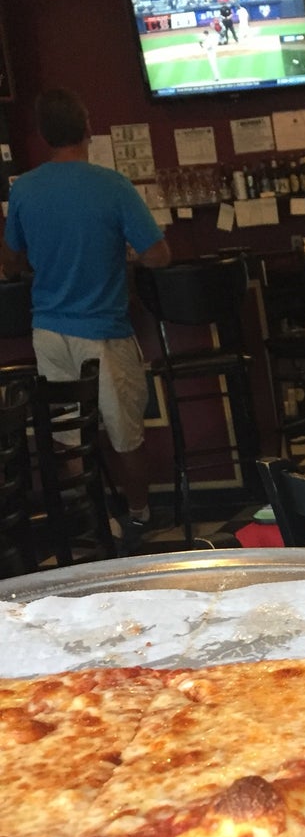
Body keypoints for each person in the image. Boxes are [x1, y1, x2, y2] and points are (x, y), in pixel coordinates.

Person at [1, 88, 171, 550]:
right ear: (88, 128)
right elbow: (159, 255)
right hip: (102, 331)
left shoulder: (24, 189)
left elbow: (10, 261)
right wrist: (124, 254)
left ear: (42, 135)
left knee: (66, 434)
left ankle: (97, 517)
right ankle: (139, 516)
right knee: (125, 434)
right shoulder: (112, 186)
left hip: (47, 330)